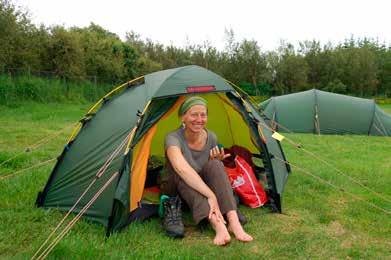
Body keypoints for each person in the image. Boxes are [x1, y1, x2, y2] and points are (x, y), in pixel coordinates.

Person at [161, 96, 253, 246]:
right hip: (176, 186)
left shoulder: (211, 137)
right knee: (185, 176)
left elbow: (207, 170)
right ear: (183, 117)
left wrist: (215, 161)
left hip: (199, 183)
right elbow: (182, 169)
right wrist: (211, 195)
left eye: (203, 115)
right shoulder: (172, 138)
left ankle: (234, 222)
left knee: (216, 165)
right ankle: (218, 225)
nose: (199, 119)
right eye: (194, 114)